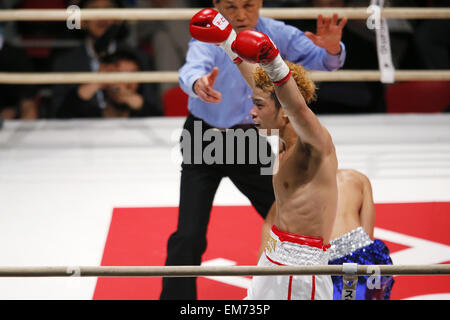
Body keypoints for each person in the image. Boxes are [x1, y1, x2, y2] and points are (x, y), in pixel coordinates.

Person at [161, 0, 347, 300]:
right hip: (203, 136)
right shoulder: (212, 39)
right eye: (231, 6)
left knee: (285, 208)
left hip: (249, 139)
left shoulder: (275, 34)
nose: (240, 14)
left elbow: (321, 68)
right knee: (189, 234)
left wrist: (331, 50)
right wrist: (203, 75)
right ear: (217, 5)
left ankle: (343, 283)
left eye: (248, 5)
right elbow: (192, 68)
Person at [51, 0, 161, 118]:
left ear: (119, 18)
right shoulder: (65, 62)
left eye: (108, 8)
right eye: (93, 9)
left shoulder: (140, 57)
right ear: (82, 21)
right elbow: (57, 116)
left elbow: (155, 111)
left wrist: (127, 95)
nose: (101, 15)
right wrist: (96, 82)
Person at [327, 169, 395, 300]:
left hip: (325, 256)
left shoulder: (303, 183)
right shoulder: (359, 179)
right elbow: (368, 234)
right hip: (359, 250)